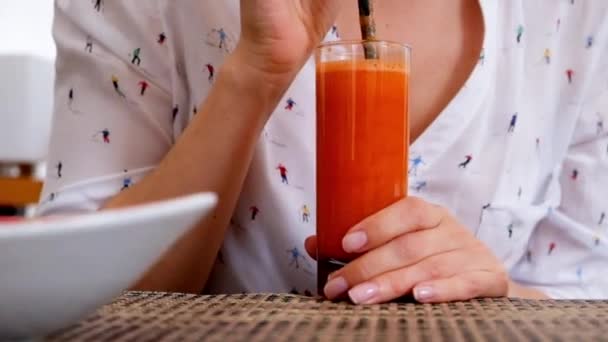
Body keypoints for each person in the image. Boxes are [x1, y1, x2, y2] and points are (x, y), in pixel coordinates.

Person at [39, 1, 608, 303]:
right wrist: (256, 72)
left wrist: (502, 297)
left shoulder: (577, 16)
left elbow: (587, 292)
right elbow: (66, 294)